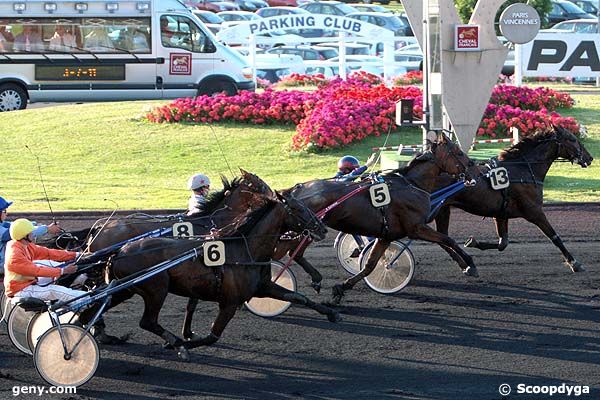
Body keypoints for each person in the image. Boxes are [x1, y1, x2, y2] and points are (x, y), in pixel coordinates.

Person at [3, 218, 85, 303]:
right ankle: (88, 300)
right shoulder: (14, 255)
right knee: (54, 290)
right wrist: (63, 271)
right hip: (20, 290)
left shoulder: (25, 245)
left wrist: (76, 255)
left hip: (29, 282)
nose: (33, 234)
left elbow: (48, 253)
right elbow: (36, 271)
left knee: (55, 266)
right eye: (31, 232)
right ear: (24, 236)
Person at [0, 196, 61, 275]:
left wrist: (36, 224)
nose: (7, 213)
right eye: (4, 211)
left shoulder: (3, 224)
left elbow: (16, 225)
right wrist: (47, 229)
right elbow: (22, 232)